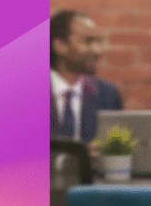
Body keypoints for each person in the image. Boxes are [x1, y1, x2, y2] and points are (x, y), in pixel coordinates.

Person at [50, 10, 123, 144]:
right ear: (60, 46)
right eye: (87, 41)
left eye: (98, 42)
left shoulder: (107, 95)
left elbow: (117, 152)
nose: (97, 50)